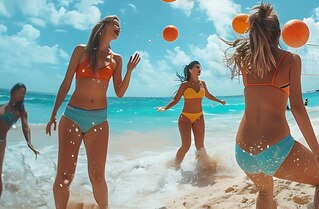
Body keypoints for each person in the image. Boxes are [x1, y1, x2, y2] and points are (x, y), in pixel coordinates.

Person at [224, 3, 319, 208]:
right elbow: (298, 108)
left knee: (265, 191)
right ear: (279, 33)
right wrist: (318, 155)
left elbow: (254, 48)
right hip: (274, 150)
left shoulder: (244, 60)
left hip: (243, 152)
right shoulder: (291, 60)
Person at [46, 16, 141, 209]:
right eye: (115, 24)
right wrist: (54, 113)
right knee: (65, 175)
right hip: (72, 116)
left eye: (120, 26)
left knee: (98, 176)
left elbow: (120, 92)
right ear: (103, 26)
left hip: (98, 120)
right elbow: (66, 83)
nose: (119, 28)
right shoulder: (81, 51)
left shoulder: (117, 60)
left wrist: (130, 70)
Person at [157, 61, 226, 168]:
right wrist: (165, 107)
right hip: (185, 117)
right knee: (186, 146)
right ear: (190, 70)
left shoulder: (202, 83)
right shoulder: (185, 85)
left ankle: (203, 168)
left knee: (200, 146)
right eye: (197, 67)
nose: (199, 69)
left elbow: (208, 95)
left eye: (200, 67)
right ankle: (175, 168)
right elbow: (175, 100)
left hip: (199, 116)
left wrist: (219, 101)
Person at [0, 83, 39, 198]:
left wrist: (29, 142)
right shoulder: (2, 106)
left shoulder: (21, 111)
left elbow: (26, 127)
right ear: (13, 92)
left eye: (24, 93)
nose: (23, 95)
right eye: (21, 92)